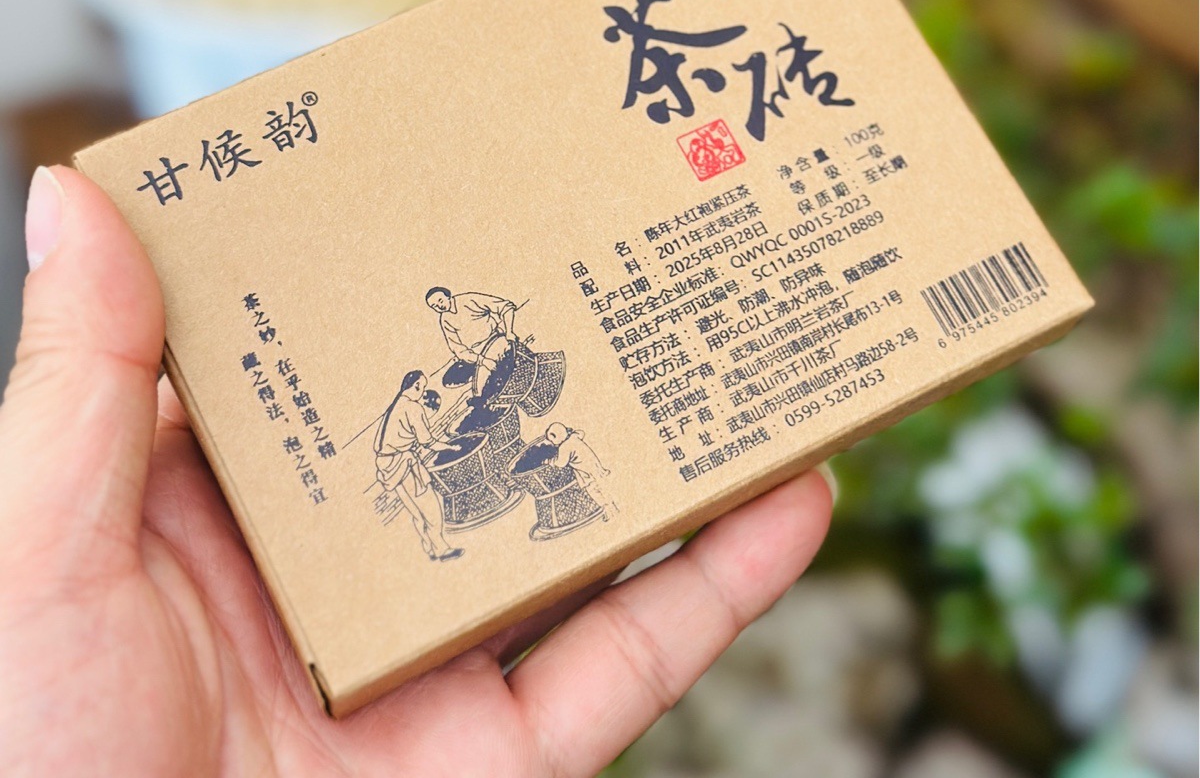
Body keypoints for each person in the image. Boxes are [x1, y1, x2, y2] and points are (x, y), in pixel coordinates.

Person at [0, 166, 833, 775]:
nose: (452, 342)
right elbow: (431, 430)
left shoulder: (484, 350)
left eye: (458, 330)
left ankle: (517, 504)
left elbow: (492, 379)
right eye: (452, 338)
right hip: (397, 505)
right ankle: (458, 530)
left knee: (519, 457)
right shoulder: (423, 396)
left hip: (468, 465)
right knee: (447, 485)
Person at [374, 369, 462, 562]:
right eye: (422, 388)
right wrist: (451, 447)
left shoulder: (395, 405)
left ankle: (429, 547)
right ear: (415, 386)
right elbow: (428, 441)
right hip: (402, 464)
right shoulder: (412, 408)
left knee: (416, 512)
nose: (422, 393)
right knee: (431, 508)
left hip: (386, 465)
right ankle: (441, 549)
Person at [425, 285, 518, 400]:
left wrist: (509, 332)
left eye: (440, 300)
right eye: (434, 306)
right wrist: (481, 360)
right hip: (477, 354)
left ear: (448, 296)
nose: (439, 306)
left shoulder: (468, 300)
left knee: (489, 382)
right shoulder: (445, 320)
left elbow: (506, 306)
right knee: (449, 380)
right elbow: (458, 349)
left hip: (494, 339)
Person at [545, 422, 617, 521]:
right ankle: (612, 508)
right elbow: (581, 432)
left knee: (595, 492)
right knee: (602, 489)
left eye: (552, 440)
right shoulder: (574, 437)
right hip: (595, 468)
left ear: (555, 436)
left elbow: (560, 463)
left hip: (588, 475)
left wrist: (549, 461)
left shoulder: (565, 447)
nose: (553, 444)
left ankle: (608, 511)